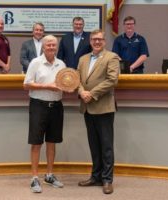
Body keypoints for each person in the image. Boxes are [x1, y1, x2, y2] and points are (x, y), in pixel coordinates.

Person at [77, 29, 120, 194]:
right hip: (87, 108)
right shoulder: (83, 59)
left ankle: (107, 180)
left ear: (104, 41)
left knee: (106, 146)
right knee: (94, 145)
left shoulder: (112, 57)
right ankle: (95, 177)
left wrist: (92, 94)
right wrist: (81, 92)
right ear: (90, 41)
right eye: (94, 39)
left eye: (100, 39)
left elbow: (112, 80)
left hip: (103, 107)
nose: (96, 42)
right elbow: (77, 79)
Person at [23, 35, 66, 193]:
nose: (51, 47)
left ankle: (49, 175)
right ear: (43, 46)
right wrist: (48, 86)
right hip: (38, 106)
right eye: (48, 44)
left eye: (54, 45)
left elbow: (65, 83)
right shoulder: (35, 62)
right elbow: (26, 85)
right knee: (36, 143)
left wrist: (69, 85)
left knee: (52, 142)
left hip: (56, 107)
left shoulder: (62, 64)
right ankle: (34, 178)